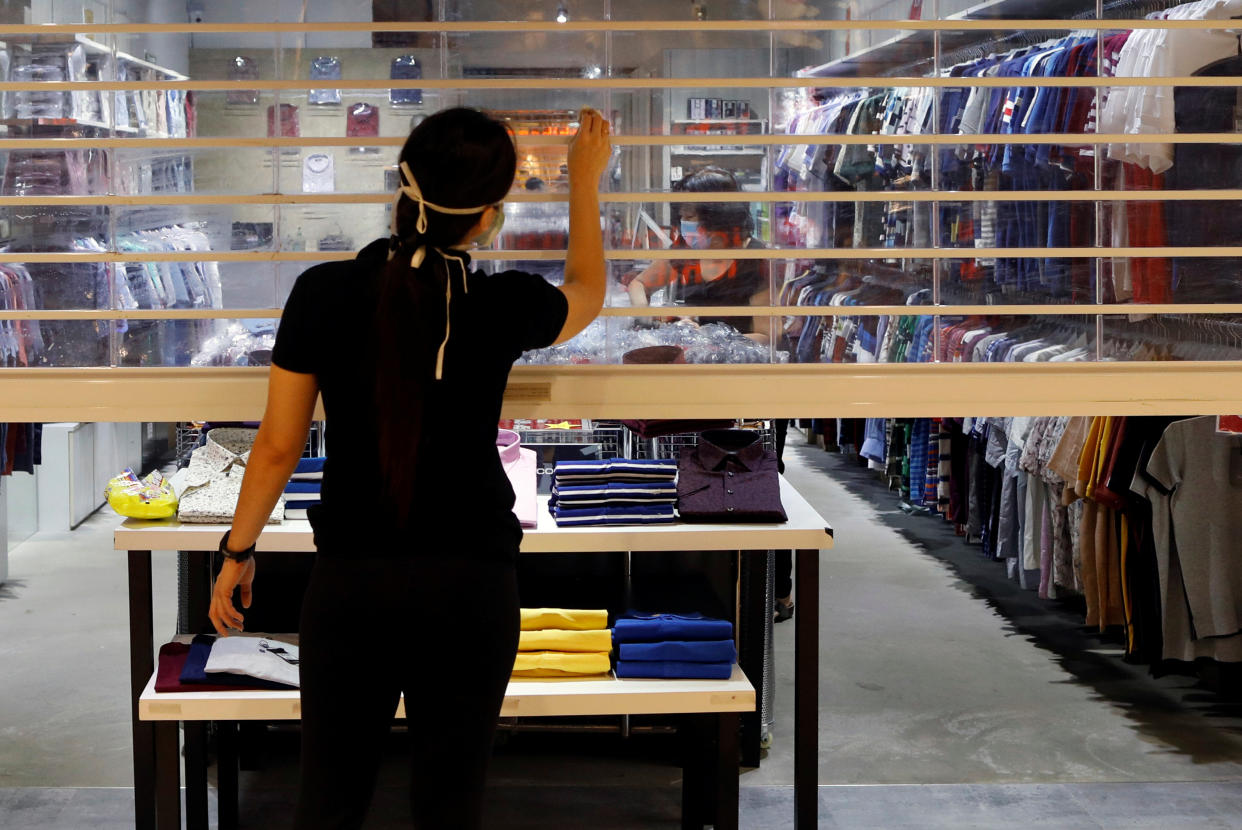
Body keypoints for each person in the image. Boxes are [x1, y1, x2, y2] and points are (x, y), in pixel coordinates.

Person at [207, 106, 612, 829]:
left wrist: (238, 551)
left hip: (352, 582)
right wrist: (584, 178)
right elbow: (588, 290)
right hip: (472, 586)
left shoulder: (323, 292)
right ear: (488, 218)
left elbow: (276, 444)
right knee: (450, 806)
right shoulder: (502, 303)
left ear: (401, 186)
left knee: (328, 802)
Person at [626, 166, 771, 343]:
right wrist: (645, 317)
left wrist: (709, 338)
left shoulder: (755, 260)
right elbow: (639, 284)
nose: (683, 223)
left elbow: (768, 336)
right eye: (682, 216)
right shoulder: (686, 250)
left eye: (689, 216)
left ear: (717, 216)